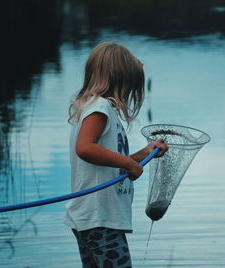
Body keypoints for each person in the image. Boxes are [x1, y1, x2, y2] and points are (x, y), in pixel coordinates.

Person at [65, 42, 168, 268]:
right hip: (99, 218)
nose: (129, 92)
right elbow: (85, 148)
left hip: (92, 218)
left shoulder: (96, 108)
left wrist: (144, 154)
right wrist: (129, 165)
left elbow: (109, 163)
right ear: (119, 80)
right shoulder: (99, 109)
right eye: (129, 84)